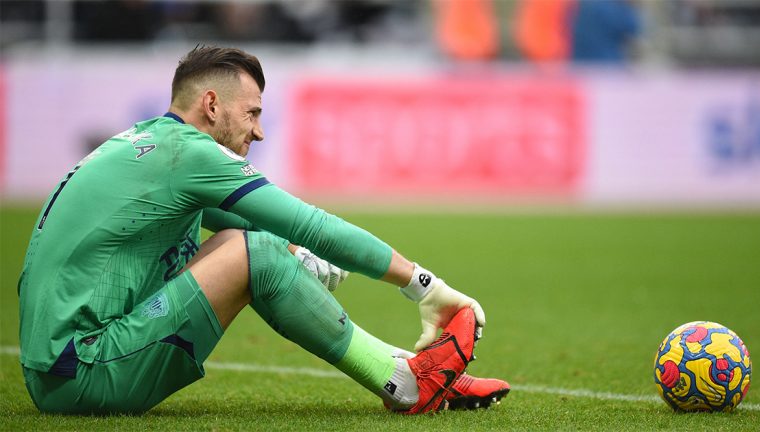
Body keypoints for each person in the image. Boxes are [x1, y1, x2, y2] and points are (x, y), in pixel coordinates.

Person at [18, 46, 510, 415]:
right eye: (252, 112)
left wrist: (290, 251)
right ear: (212, 105)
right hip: (82, 371)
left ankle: (405, 367)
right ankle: (403, 382)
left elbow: (252, 226)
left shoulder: (151, 144)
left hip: (60, 367)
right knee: (256, 252)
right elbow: (308, 222)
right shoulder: (190, 153)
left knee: (258, 245)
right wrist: (424, 285)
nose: (259, 131)